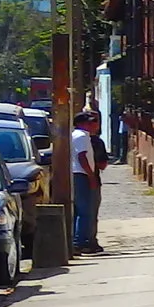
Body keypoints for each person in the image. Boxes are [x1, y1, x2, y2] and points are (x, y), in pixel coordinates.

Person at [71, 108, 108, 253]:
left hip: (80, 174)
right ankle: (80, 242)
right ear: (81, 123)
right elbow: (82, 157)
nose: (94, 125)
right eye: (90, 122)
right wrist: (91, 176)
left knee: (82, 210)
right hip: (82, 175)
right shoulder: (81, 136)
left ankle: (80, 240)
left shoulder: (79, 135)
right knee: (84, 210)